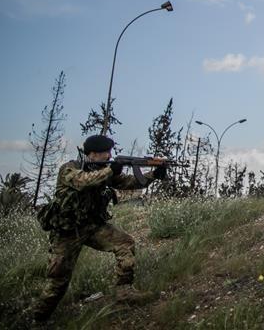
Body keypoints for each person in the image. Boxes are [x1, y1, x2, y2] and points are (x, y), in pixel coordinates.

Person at [32, 134, 166, 323]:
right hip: (67, 232)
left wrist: (154, 175)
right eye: (105, 153)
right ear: (92, 154)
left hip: (92, 226)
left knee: (125, 243)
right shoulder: (70, 169)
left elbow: (129, 182)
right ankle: (38, 319)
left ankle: (124, 292)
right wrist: (110, 171)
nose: (109, 156)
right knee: (58, 280)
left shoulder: (104, 170)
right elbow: (83, 181)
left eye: (110, 152)